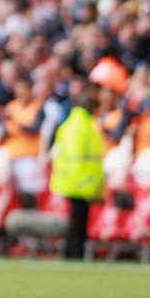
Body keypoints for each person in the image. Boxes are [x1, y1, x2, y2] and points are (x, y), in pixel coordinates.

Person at [49, 80, 105, 262]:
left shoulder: (77, 124)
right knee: (77, 223)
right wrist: (86, 184)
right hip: (79, 183)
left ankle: (74, 254)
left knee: (78, 223)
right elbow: (75, 159)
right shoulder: (79, 126)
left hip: (78, 182)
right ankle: (73, 255)